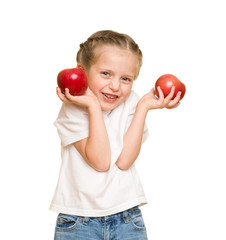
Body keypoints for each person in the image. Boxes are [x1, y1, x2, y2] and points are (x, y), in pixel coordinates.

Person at [50, 30, 181, 240]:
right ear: (82, 72)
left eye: (126, 79)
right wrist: (92, 105)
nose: (115, 86)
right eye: (105, 74)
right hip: (79, 222)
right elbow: (100, 161)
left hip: (127, 218)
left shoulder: (131, 102)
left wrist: (143, 107)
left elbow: (124, 161)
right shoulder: (73, 109)